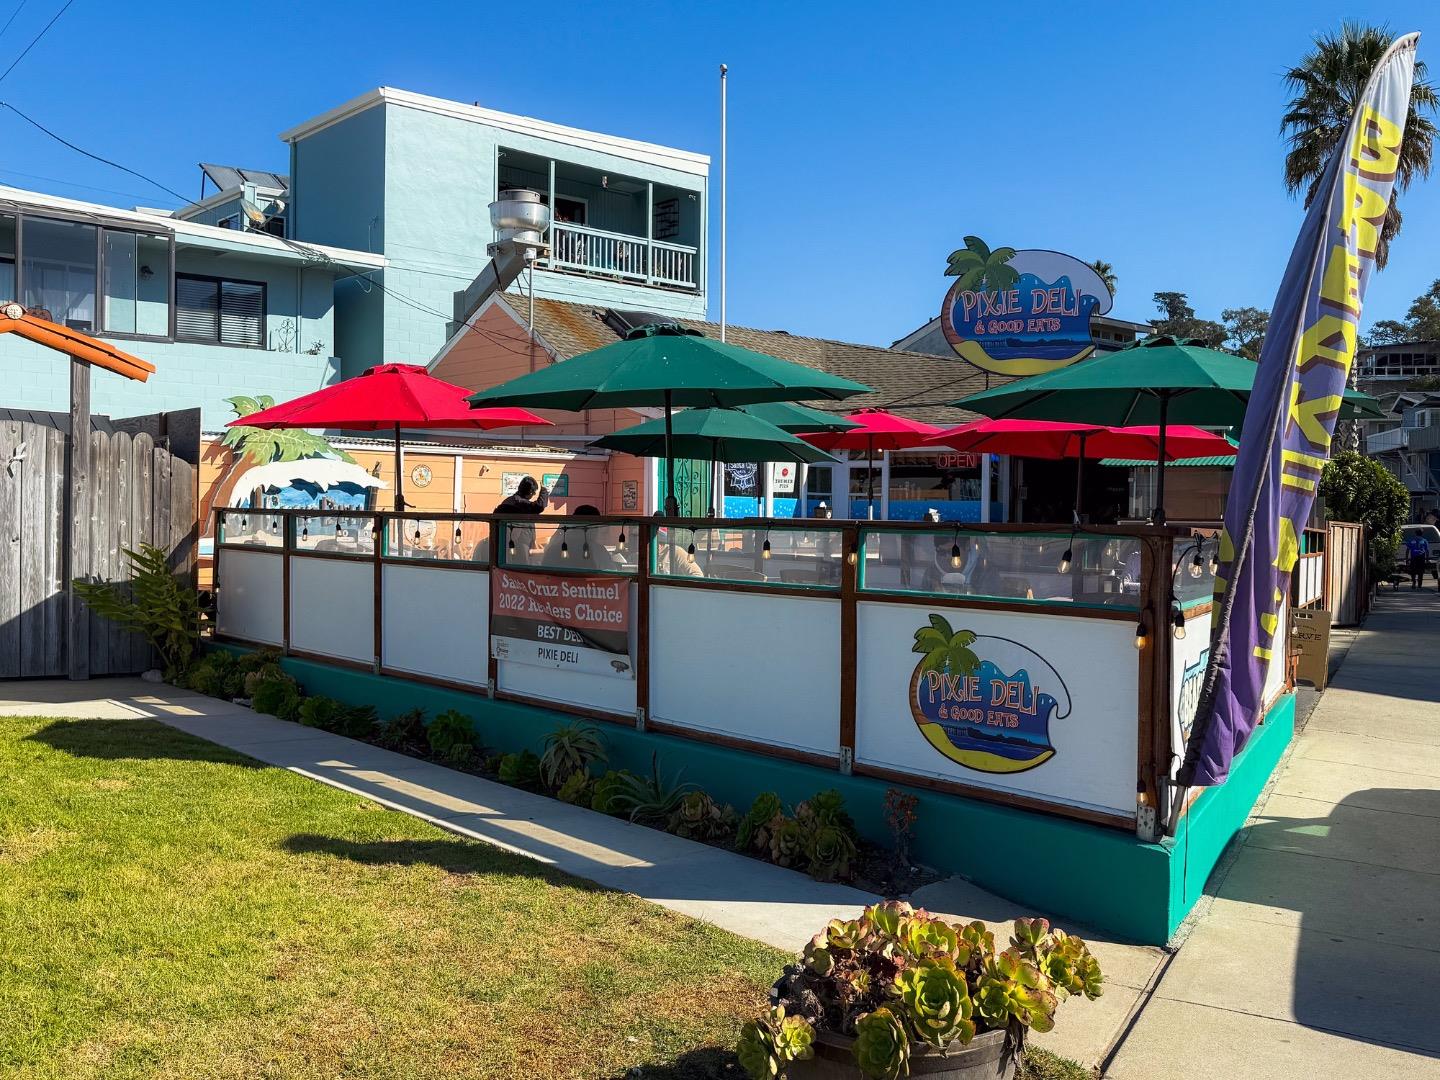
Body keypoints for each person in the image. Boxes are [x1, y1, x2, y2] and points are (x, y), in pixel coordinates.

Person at [541, 505, 624, 570]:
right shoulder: (598, 550)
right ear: (592, 528)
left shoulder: (555, 546)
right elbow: (610, 575)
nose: (597, 531)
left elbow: (544, 571)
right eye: (597, 528)